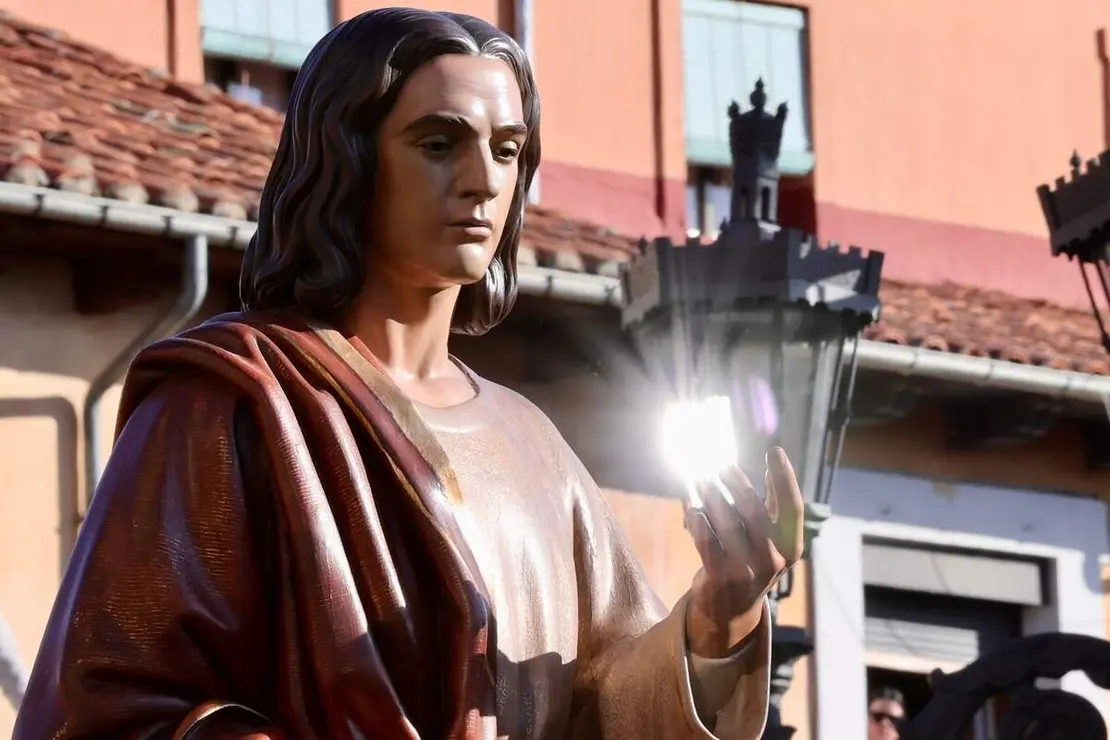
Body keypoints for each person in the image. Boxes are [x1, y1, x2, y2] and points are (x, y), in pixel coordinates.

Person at [14, 8, 804, 739]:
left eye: (506, 149)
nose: (484, 180)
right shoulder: (231, 406)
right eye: (438, 143)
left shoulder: (534, 447)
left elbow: (601, 699)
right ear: (349, 159)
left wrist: (716, 620)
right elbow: (102, 707)